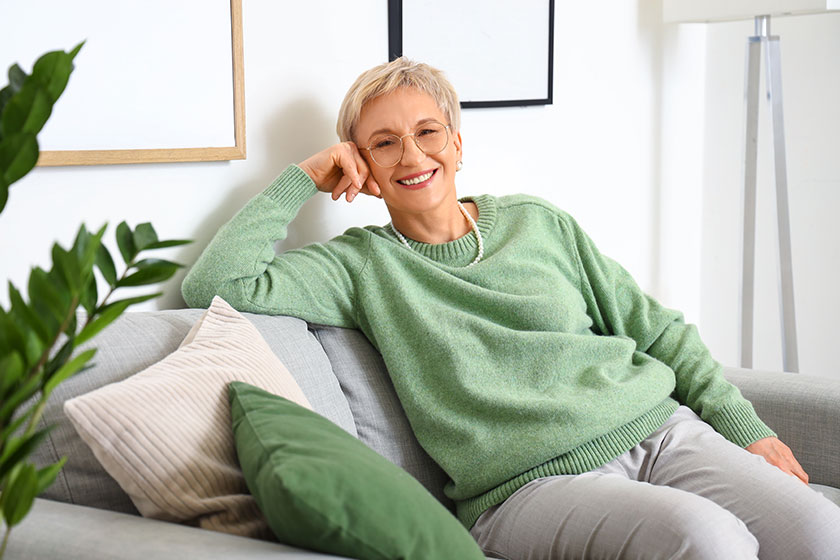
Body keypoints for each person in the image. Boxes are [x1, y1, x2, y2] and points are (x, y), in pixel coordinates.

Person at [182, 57, 840, 559]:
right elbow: (218, 284)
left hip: (661, 431)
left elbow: (656, 329)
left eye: (428, 132)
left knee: (818, 529)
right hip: (525, 490)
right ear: (363, 169)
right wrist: (302, 178)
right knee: (710, 540)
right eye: (383, 143)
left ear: (457, 144)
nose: (412, 155)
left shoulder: (537, 222)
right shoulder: (358, 267)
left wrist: (744, 426)